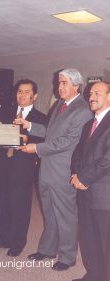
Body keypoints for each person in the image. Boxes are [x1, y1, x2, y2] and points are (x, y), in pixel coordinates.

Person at [15, 69, 92, 270]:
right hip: (47, 168)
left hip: (63, 171)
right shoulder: (60, 104)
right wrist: (29, 125)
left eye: (65, 83)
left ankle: (67, 257)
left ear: (77, 86)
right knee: (49, 212)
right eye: (59, 83)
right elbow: (50, 132)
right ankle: (48, 249)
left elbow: (68, 142)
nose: (60, 87)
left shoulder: (82, 110)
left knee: (66, 215)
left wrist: (36, 148)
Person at [0, 79, 47, 256]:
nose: (22, 95)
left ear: (34, 96)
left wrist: (28, 139)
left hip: (23, 167)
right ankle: (2, 238)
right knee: (2, 203)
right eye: (20, 91)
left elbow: (46, 140)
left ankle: (18, 242)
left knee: (20, 205)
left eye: (27, 92)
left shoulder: (41, 118)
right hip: (2, 165)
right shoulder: (5, 112)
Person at [71, 81, 110, 281]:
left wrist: (84, 178)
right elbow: (78, 153)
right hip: (85, 191)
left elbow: (107, 159)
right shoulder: (89, 124)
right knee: (88, 237)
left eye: (98, 93)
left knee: (106, 240)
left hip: (105, 195)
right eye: (90, 93)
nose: (92, 97)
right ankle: (94, 275)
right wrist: (76, 176)